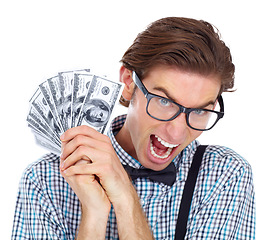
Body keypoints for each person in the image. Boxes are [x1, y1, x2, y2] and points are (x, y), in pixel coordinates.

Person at [12, 17, 255, 239]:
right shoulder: (44, 180)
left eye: (200, 111)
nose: (177, 133)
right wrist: (95, 214)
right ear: (129, 83)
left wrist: (125, 196)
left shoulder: (225, 175)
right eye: (164, 101)